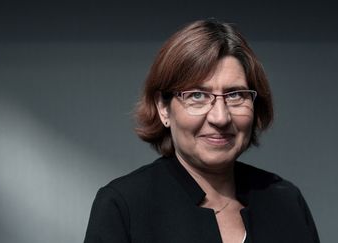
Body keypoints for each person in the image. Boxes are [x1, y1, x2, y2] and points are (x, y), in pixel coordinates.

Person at [84, 19, 320, 243]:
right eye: (197, 95)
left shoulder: (286, 201)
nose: (220, 117)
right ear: (163, 108)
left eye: (235, 95)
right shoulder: (124, 206)